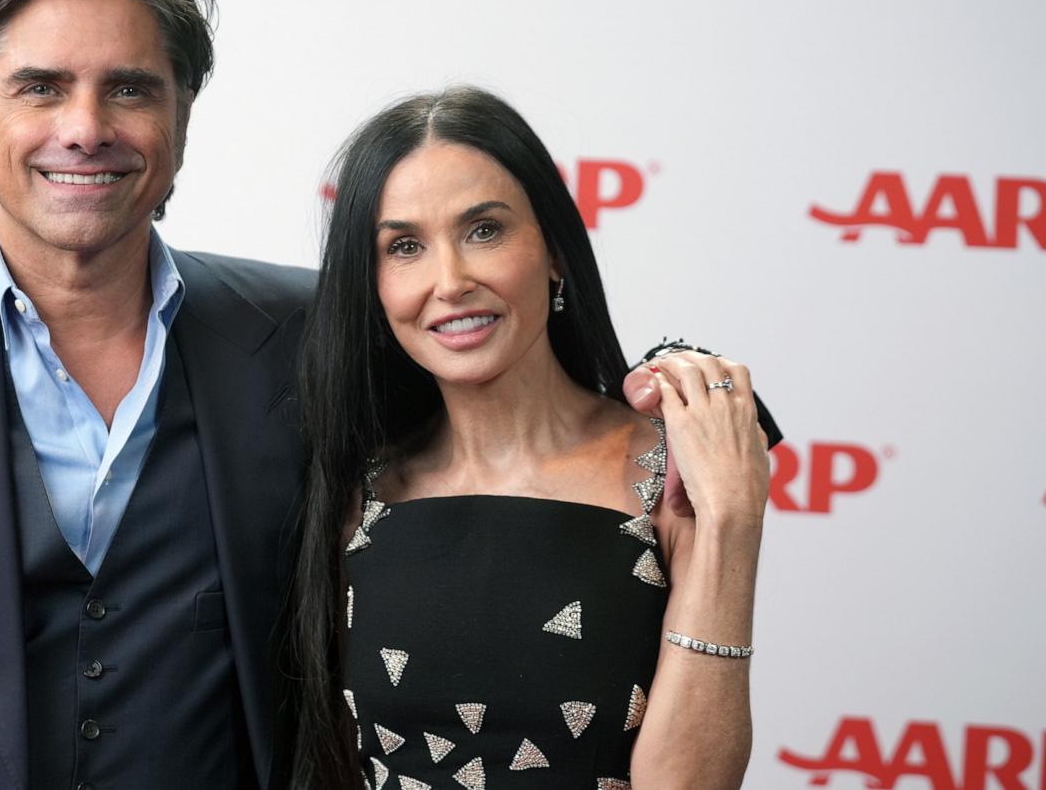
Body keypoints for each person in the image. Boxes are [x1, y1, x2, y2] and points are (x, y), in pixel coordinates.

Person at [0, 0, 769, 790]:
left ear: (180, 117)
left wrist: (682, 392)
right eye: (39, 87)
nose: (87, 125)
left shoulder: (315, 338)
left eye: (130, 87)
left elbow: (496, 380)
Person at [289, 87, 775, 790]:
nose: (450, 281)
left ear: (554, 252)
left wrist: (732, 517)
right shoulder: (356, 489)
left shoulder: (676, 474)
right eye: (404, 247)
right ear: (372, 286)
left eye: (484, 230)